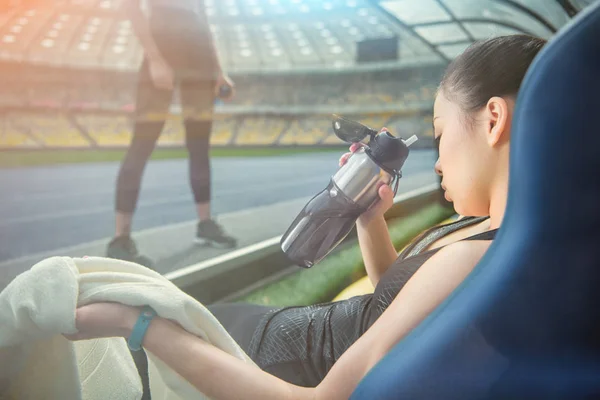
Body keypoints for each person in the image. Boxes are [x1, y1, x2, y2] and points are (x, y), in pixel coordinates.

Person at [67, 34, 546, 399]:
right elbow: (395, 304)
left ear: (494, 119)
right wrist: (369, 217)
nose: (438, 160)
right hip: (278, 335)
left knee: (80, 304)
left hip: (264, 363)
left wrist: (141, 326)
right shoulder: (488, 233)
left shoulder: (474, 259)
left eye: (440, 135)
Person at [107, 0, 237, 265]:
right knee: (142, 143)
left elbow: (203, 20)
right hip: (163, 44)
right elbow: (132, 7)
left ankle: (205, 224)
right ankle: (120, 238)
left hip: (199, 56)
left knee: (199, 146)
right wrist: (155, 58)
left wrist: (219, 71)